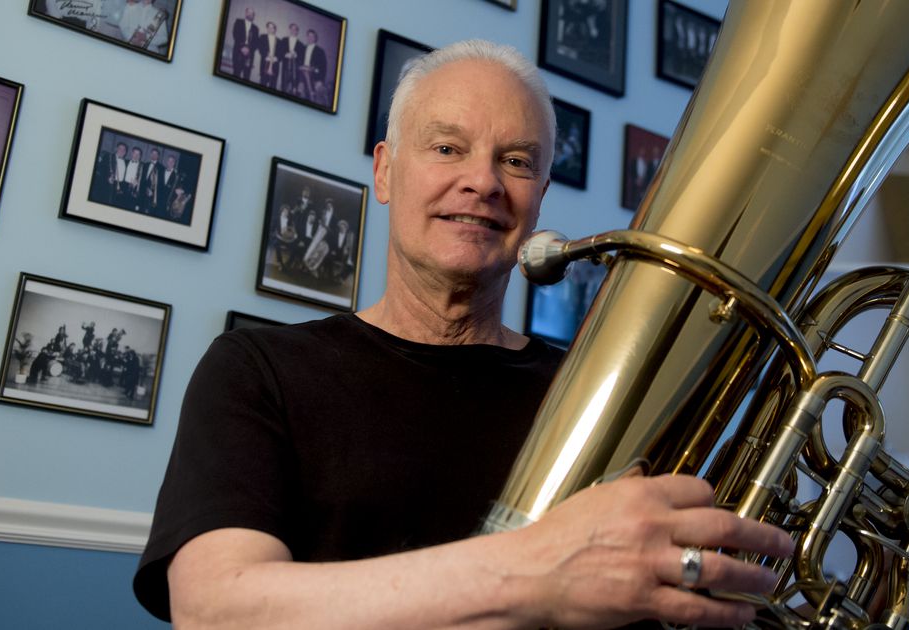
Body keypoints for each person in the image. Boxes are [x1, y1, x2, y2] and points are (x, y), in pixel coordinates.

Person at [134, 39, 792, 628]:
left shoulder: (596, 397)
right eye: (448, 148)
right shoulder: (256, 369)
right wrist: (538, 570)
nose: (482, 181)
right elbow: (215, 609)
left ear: (539, 196)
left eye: (516, 160)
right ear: (385, 171)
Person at [297, 28, 328, 104]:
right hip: (301, 73)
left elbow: (323, 67)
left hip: (313, 75)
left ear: (315, 38)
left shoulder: (320, 51)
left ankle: (311, 94)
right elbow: (297, 61)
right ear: (307, 37)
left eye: (312, 36)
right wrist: (300, 66)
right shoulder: (302, 48)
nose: (310, 38)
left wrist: (321, 80)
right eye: (309, 36)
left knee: (311, 97)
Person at [230, 7, 258, 81]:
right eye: (249, 12)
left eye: (252, 13)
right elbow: (235, 34)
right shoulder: (238, 22)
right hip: (238, 51)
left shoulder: (256, 28)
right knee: (236, 74)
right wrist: (242, 47)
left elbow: (256, 43)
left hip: (249, 55)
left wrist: (249, 49)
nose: (250, 14)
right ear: (245, 13)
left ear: (253, 16)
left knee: (246, 76)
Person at [257, 21, 281, 90]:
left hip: (275, 64)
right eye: (269, 27)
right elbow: (260, 48)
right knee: (263, 82)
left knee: (273, 85)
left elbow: (281, 53)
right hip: (265, 62)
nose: (270, 29)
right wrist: (266, 56)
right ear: (267, 28)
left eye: (272, 28)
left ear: (275, 29)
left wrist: (276, 58)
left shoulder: (279, 41)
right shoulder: (262, 37)